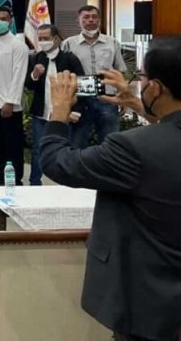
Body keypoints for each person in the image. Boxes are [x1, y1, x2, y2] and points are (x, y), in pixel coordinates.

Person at [41, 38, 181, 341]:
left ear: (156, 88)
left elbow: (58, 162)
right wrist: (140, 107)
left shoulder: (133, 148)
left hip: (151, 305)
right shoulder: (152, 142)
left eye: (141, 78)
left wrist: (60, 110)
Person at [25, 24, 84, 185]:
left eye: (46, 38)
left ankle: (66, 185)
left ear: (56, 39)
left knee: (66, 149)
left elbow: (81, 86)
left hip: (65, 113)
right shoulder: (36, 58)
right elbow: (29, 86)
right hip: (42, 113)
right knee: (38, 149)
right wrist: (34, 75)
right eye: (40, 38)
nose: (43, 42)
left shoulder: (69, 58)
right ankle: (35, 183)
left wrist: (76, 111)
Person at [61, 5, 127, 149]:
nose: (90, 20)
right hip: (80, 99)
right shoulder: (68, 44)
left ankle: (106, 165)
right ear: (78, 21)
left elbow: (120, 71)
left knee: (109, 143)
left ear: (99, 20)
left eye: (94, 17)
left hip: (107, 98)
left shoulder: (112, 42)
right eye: (86, 17)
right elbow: (62, 73)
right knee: (77, 143)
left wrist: (122, 96)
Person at [0, 5, 29, 184]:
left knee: (13, 144)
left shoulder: (18, 45)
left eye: (3, 19)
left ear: (10, 21)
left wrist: (10, 102)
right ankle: (1, 174)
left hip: (9, 104)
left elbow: (19, 75)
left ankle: (15, 179)